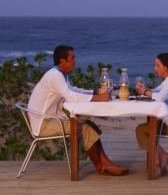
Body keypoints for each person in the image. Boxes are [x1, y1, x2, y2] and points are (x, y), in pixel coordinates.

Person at [28, 45, 129, 176]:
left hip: (50, 119)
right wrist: (97, 98)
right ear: (62, 60)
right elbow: (71, 96)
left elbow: (73, 90)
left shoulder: (60, 74)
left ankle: (106, 164)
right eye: (72, 58)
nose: (75, 61)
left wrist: (94, 92)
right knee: (86, 128)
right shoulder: (55, 76)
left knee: (89, 124)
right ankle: (101, 166)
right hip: (44, 124)